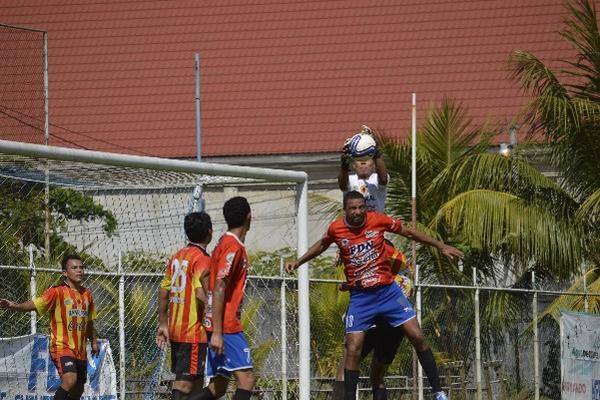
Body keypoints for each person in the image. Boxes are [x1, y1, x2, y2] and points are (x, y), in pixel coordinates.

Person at [286, 191, 464, 400]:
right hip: (362, 299)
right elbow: (322, 245)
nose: (358, 212)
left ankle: (438, 392)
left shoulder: (378, 221)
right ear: (346, 209)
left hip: (388, 292)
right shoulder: (336, 228)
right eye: (353, 208)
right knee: (352, 348)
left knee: (417, 336)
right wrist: (298, 262)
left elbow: (408, 232)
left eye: (362, 207)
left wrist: (440, 246)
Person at [334, 125, 409, 400]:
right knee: (348, 364)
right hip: (360, 249)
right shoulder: (352, 185)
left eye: (367, 161)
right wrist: (344, 162)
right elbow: (342, 184)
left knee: (376, 371)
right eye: (359, 161)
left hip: (377, 242)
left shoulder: (377, 182)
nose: (363, 166)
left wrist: (376, 152)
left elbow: (385, 174)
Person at [0, 254, 98, 400]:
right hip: (61, 346)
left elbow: (89, 322)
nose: (79, 270)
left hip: (80, 349)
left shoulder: (87, 294)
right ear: (65, 272)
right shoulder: (56, 292)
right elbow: (36, 303)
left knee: (78, 389)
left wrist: (94, 341)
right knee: (70, 379)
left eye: (81, 267)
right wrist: (15, 306)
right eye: (74, 268)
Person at [190, 196, 255, 400]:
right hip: (225, 326)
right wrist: (218, 332)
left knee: (219, 385)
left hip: (215, 323)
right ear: (249, 217)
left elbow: (205, 276)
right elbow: (219, 286)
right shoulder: (233, 247)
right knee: (246, 380)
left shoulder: (222, 242)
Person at [156, 212, 213, 400]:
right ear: (210, 233)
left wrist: (163, 323)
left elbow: (164, 290)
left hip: (176, 328)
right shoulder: (202, 258)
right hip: (193, 332)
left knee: (196, 383)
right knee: (185, 383)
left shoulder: (177, 256)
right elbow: (200, 292)